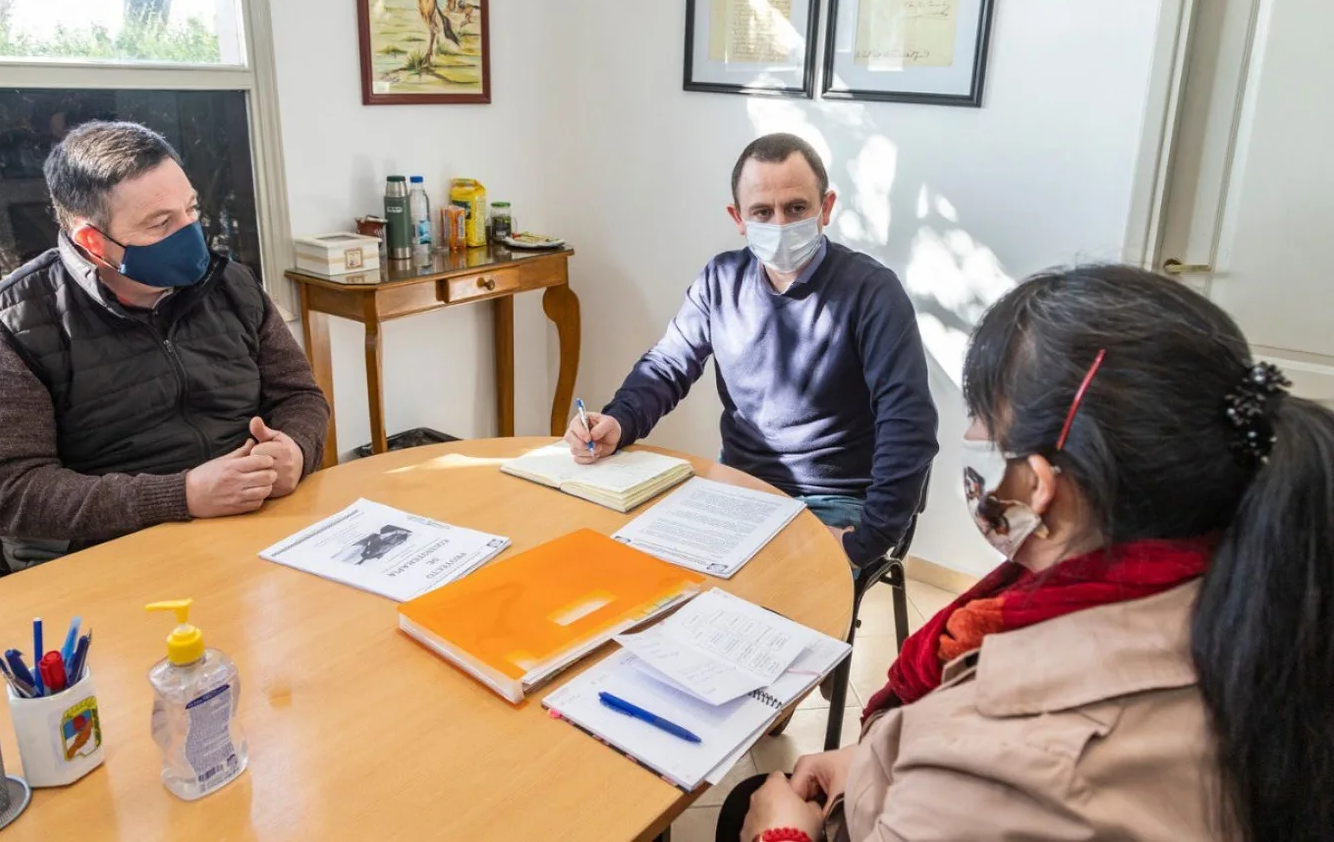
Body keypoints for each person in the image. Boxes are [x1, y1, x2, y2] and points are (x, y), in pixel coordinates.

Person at [721, 264, 1334, 842]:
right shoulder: (1265, 569)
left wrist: (784, 832)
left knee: (750, 803)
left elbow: (975, 779)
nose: (980, 456)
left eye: (991, 441)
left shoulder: (1002, 755)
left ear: (1042, 485)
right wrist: (878, 754)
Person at [0, 121, 331, 573]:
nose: (190, 234)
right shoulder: (0, 332)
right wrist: (181, 495)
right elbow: (11, 495)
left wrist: (295, 450)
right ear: (93, 241)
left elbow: (299, 395)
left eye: (191, 210)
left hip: (253, 532)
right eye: (161, 223)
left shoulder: (230, 286)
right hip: (105, 560)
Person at [565, 134, 938, 568]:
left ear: (827, 207)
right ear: (739, 218)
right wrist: (619, 419)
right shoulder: (721, 279)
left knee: (769, 612)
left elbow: (908, 423)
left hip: (835, 500)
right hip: (737, 486)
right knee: (641, 573)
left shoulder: (873, 293)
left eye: (796, 208)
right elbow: (668, 364)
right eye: (762, 211)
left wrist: (868, 540)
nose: (780, 224)